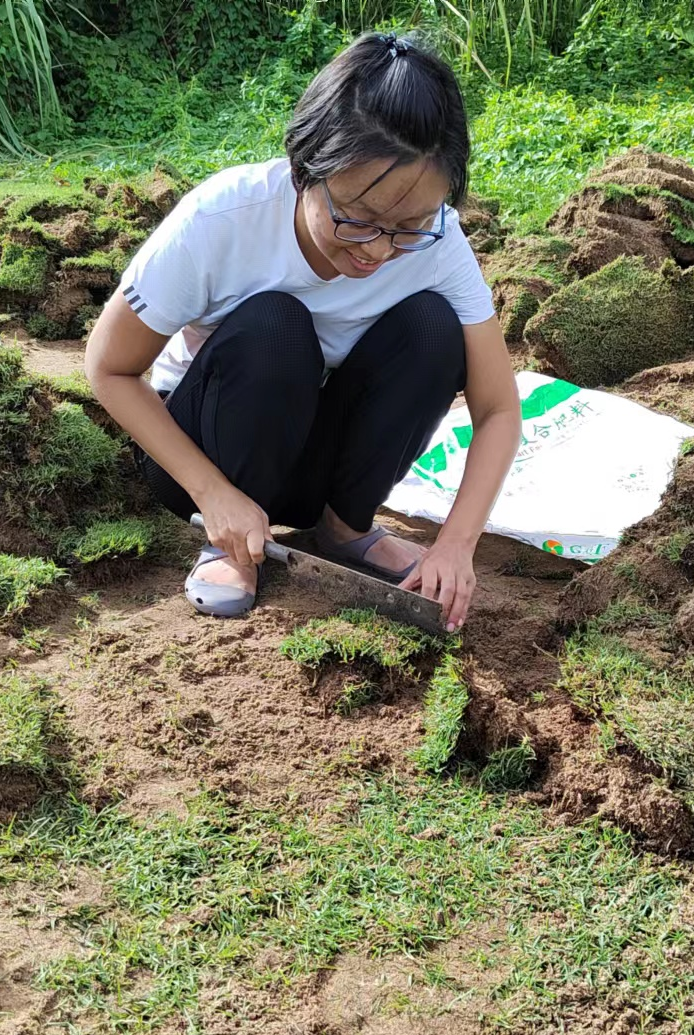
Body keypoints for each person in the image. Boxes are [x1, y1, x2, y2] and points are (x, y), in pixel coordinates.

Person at [84, 31, 522, 634]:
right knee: (276, 324)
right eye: (357, 219)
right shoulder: (223, 220)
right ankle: (230, 546)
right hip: (207, 453)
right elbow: (109, 367)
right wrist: (213, 493)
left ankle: (346, 530)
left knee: (432, 328)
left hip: (317, 468)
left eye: (410, 226)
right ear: (302, 170)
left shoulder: (440, 245)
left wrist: (455, 543)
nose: (379, 250)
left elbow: (498, 408)